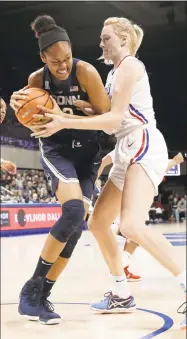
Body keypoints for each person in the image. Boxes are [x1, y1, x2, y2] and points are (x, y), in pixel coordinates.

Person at [32, 17, 186, 329]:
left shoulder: (130, 66)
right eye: (101, 39)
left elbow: (114, 118)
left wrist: (66, 120)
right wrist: (84, 109)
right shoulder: (114, 72)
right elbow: (111, 117)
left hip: (143, 143)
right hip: (125, 148)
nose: (101, 44)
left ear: (124, 40)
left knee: (129, 224)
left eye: (106, 39)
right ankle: (120, 292)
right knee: (99, 222)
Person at [10, 15, 110, 325]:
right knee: (72, 212)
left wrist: (84, 111)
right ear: (43, 58)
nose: (63, 65)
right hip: (58, 149)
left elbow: (108, 119)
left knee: (76, 225)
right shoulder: (36, 81)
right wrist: (23, 112)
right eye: (55, 62)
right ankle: (31, 291)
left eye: (66, 59)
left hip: (88, 154)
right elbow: (35, 120)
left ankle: (42, 295)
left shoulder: (87, 72)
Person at [99, 151, 185, 281]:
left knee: (132, 235)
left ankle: (121, 266)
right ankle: (118, 270)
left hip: (133, 193)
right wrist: (174, 162)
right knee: (128, 231)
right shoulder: (133, 145)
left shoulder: (144, 150)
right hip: (127, 194)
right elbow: (105, 160)